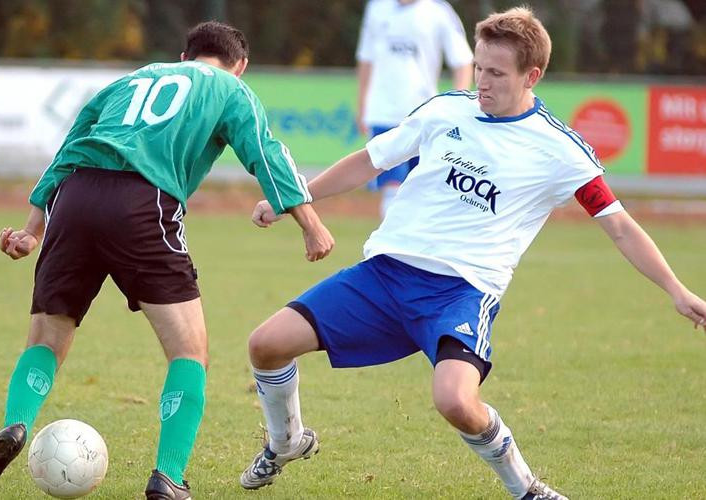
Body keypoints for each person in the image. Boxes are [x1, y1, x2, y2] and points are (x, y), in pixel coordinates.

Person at [240, 7, 706, 499]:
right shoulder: (445, 109)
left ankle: (527, 489)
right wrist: (295, 197)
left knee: (455, 400)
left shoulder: (560, 150)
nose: (482, 82)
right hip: (383, 276)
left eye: (497, 73)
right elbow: (366, 162)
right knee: (265, 345)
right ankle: (286, 440)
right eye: (479, 68)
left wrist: (676, 290)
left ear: (533, 76)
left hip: (460, 293)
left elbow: (620, 228)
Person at [0, 20, 334, 500]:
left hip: (75, 197)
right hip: (141, 203)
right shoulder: (229, 88)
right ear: (240, 66)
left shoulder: (132, 78)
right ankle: (167, 477)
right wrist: (310, 224)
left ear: (183, 57)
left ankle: (15, 424)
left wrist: (33, 229)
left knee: (48, 338)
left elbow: (69, 148)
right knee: (189, 352)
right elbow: (266, 154)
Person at [356, 0, 474, 217]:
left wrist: (458, 104)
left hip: (424, 116)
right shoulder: (377, 7)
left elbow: (463, 61)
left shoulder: (439, 11)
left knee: (422, 190)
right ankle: (389, 247)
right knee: (392, 189)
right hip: (383, 114)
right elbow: (366, 58)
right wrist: (362, 104)